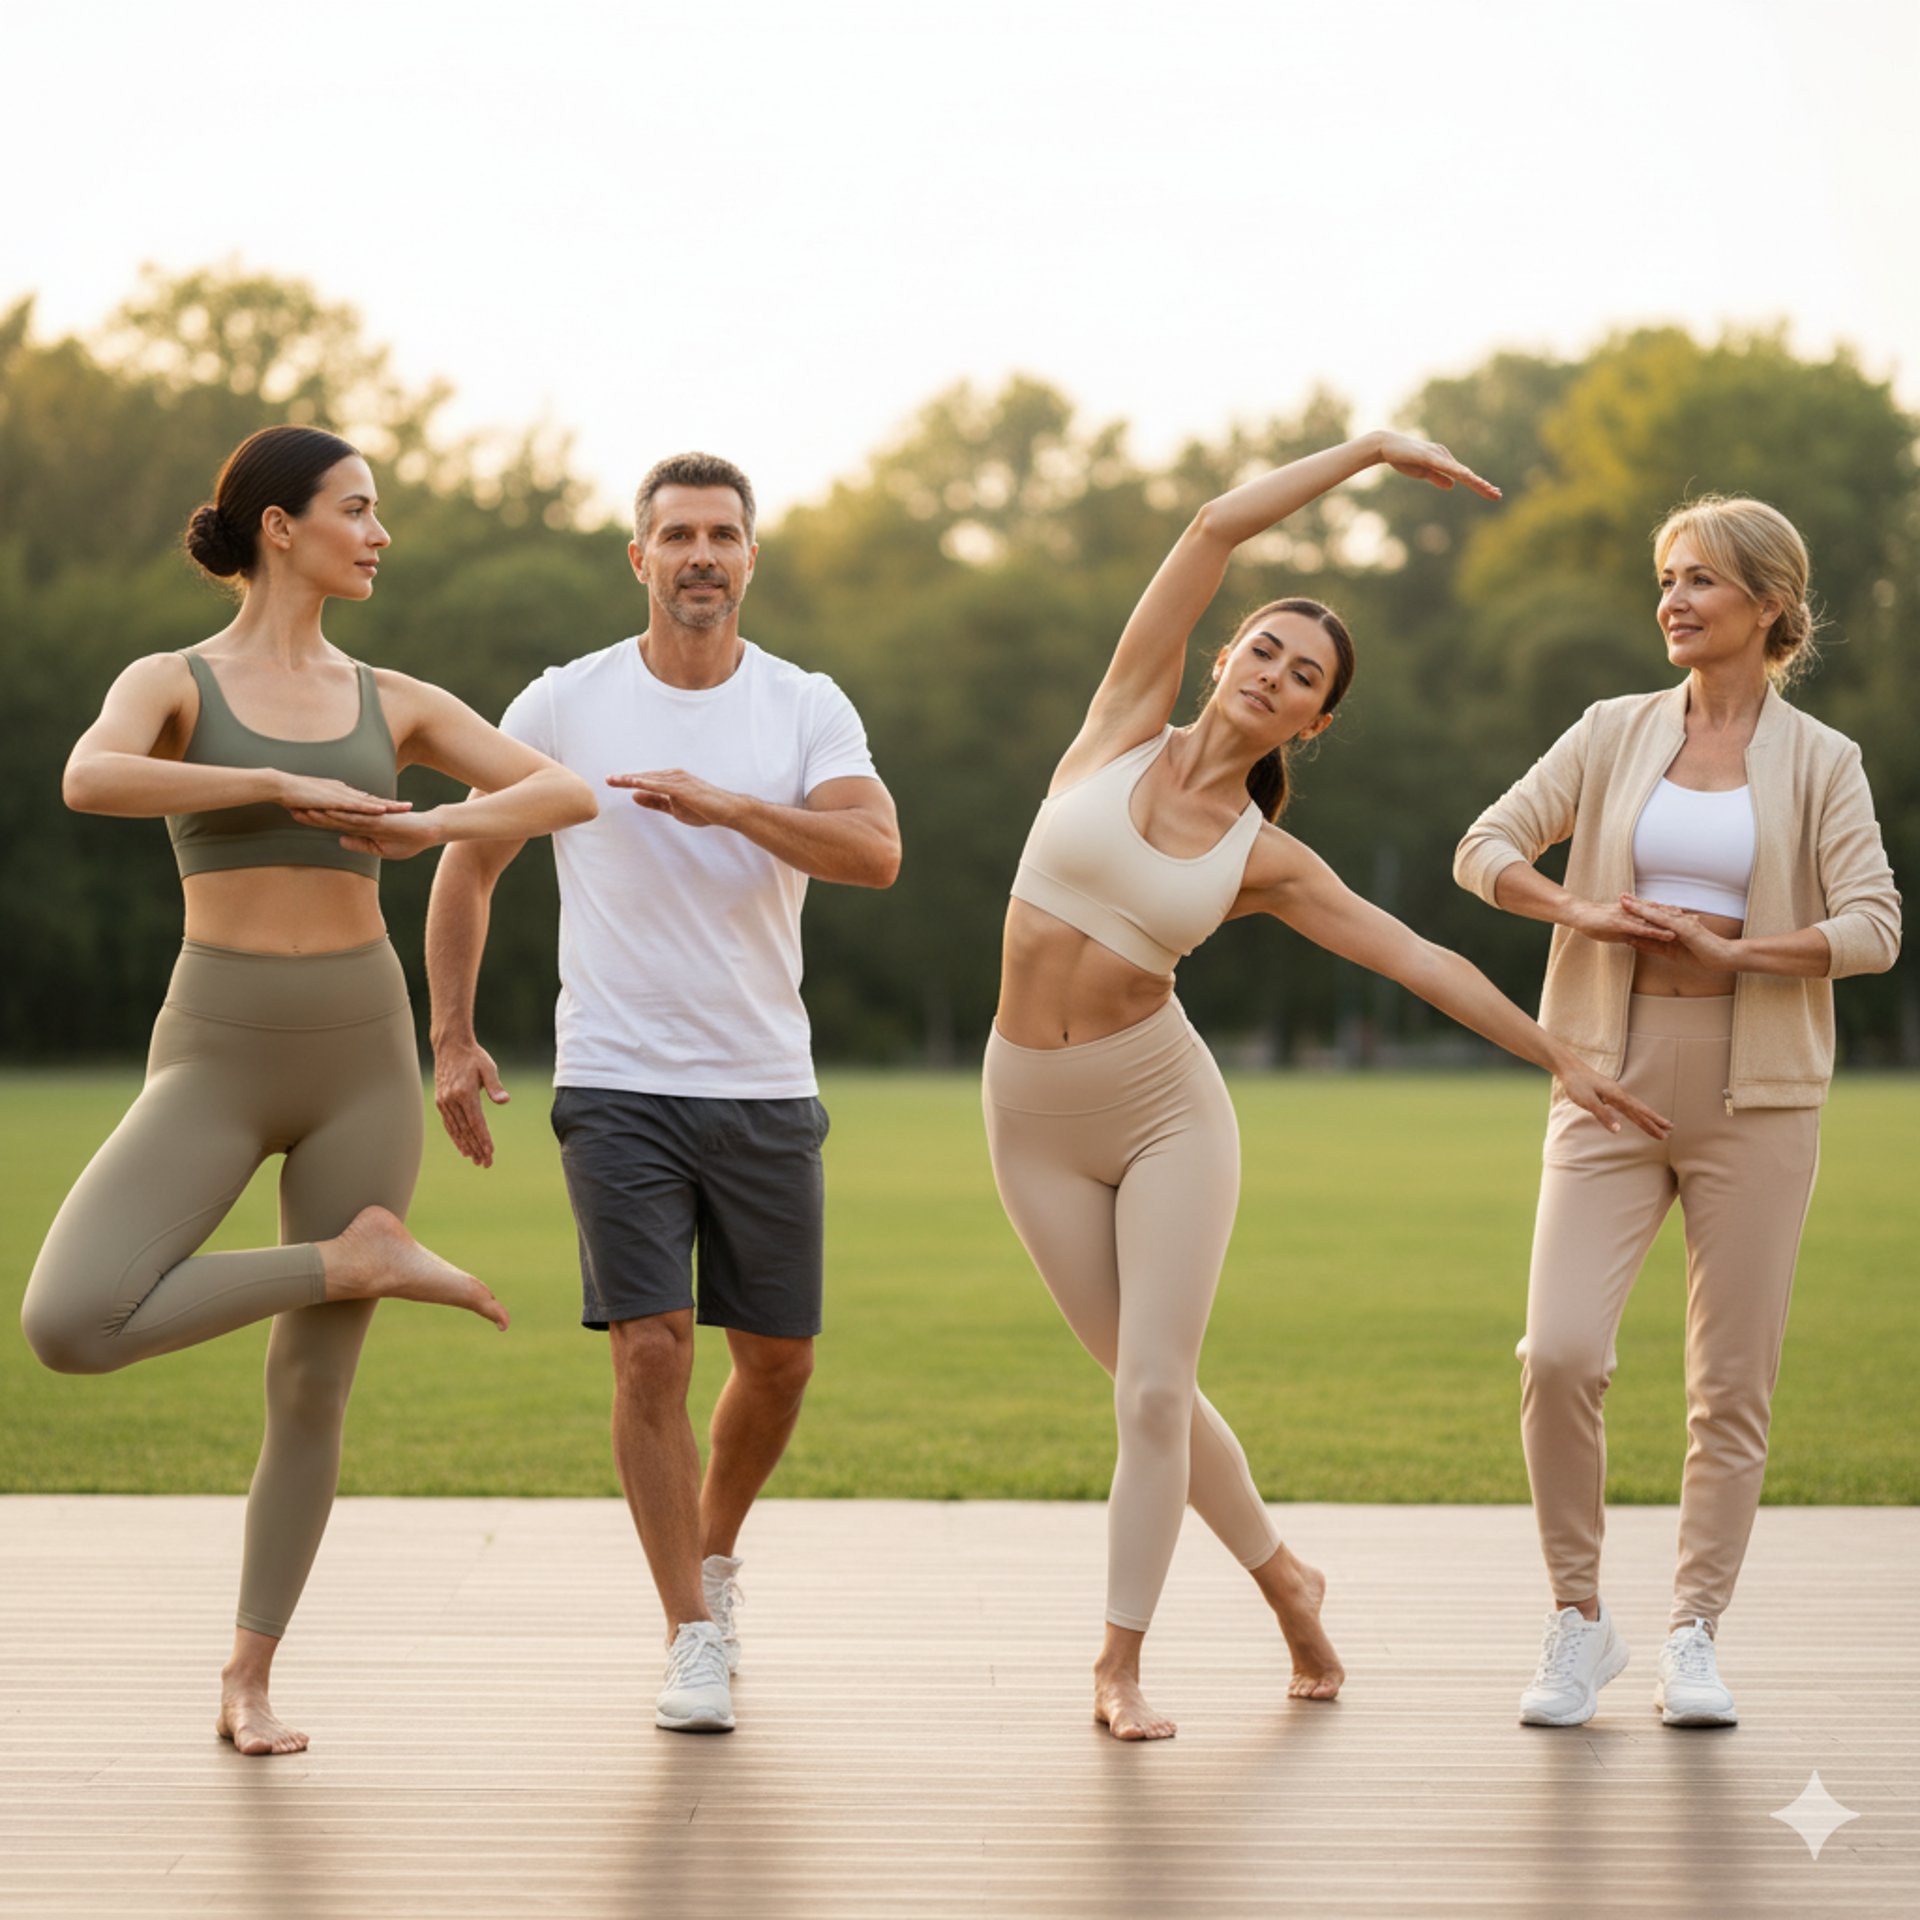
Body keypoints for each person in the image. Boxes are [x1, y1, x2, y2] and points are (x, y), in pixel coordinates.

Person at [984, 431, 1671, 1742]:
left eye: (1305, 677)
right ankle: (1289, 1582)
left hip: (1161, 1108)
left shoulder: (1265, 859)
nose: (1274, 675)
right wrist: (1362, 454)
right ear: (1226, 658)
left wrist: (1562, 1055)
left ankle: (1117, 1667)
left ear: (1315, 719)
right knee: (1151, 1386)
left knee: (1150, 1393)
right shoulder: (1118, 725)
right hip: (1025, 1113)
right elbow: (1207, 530)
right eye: (1264, 651)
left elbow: (1421, 957)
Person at [20, 425, 597, 1755]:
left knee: (308, 1396)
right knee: (71, 1319)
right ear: (279, 526)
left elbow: (564, 791)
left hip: (359, 1051)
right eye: (358, 509)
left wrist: (436, 823)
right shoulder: (169, 679)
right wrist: (272, 781)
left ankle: (248, 1680)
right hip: (215, 1048)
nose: (379, 533)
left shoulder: (392, 701)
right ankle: (361, 1259)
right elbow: (89, 774)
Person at [427, 451, 900, 1735]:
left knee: (781, 1363)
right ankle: (691, 1633)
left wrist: (734, 810)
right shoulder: (565, 703)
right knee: (651, 1352)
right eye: (677, 534)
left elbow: (876, 851)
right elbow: (469, 863)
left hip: (763, 1081)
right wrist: (453, 1036)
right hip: (618, 1079)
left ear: (753, 558)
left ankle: (713, 1557)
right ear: (637, 557)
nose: (702, 554)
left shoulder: (803, 706)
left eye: (724, 535)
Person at [1454, 494, 1900, 1730]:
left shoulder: (1825, 762)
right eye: (1665, 579)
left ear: (1768, 602)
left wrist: (1745, 951)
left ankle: (1694, 1634)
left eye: (1700, 580)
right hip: (1606, 1070)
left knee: (1731, 1385)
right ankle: (1579, 1620)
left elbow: (1876, 925)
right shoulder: (1610, 731)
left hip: (1759, 1096)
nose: (1672, 600)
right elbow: (1484, 847)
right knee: (1559, 1354)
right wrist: (1578, 910)